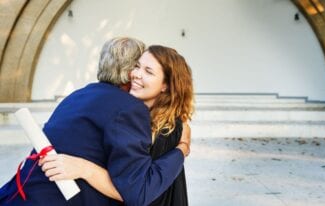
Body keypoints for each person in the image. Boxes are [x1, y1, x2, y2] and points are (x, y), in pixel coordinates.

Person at [0, 37, 190, 206]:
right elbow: (137, 193)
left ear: (166, 85)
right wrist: (182, 149)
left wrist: (84, 168)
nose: (137, 74)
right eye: (137, 66)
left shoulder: (78, 96)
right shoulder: (129, 109)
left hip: (18, 193)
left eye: (148, 70)